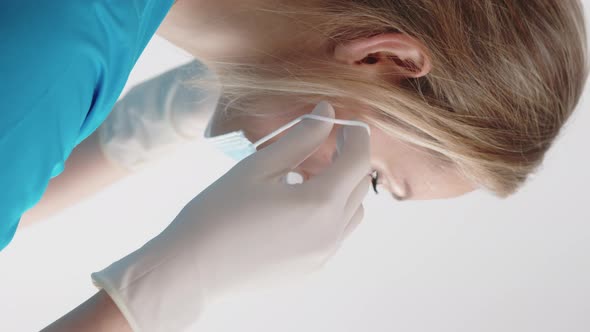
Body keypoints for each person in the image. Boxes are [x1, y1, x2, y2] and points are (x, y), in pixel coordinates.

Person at [0, 0, 586, 331]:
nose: (318, 186)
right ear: (382, 58)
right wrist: (160, 291)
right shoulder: (61, 53)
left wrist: (149, 124)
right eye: (373, 179)